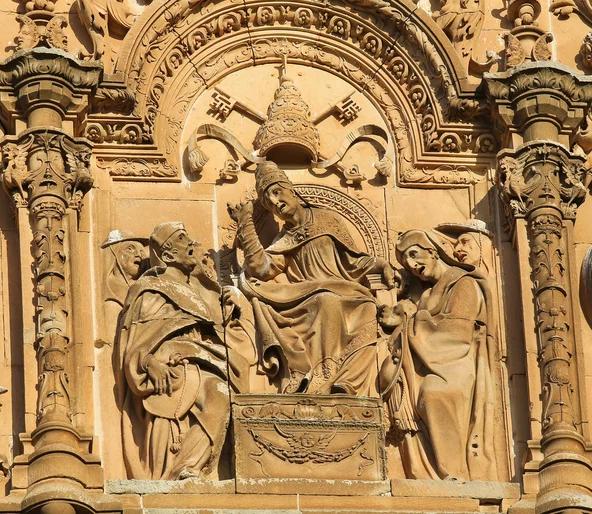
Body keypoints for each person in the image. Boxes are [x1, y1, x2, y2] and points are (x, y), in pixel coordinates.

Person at [228, 161, 397, 396]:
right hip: (309, 297)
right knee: (326, 300)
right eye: (269, 203)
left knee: (368, 309)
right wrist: (245, 224)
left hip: (346, 290)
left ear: (292, 190)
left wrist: (383, 264)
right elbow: (260, 269)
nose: (276, 203)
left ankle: (347, 382)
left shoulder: (327, 220)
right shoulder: (285, 239)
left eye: (277, 193)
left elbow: (354, 260)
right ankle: (323, 373)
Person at [117, 222, 240, 480]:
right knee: (174, 393)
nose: (192, 243)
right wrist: (149, 362)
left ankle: (187, 465)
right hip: (169, 367)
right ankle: (173, 471)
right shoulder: (150, 290)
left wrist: (227, 311)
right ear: (169, 255)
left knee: (221, 393)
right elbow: (137, 343)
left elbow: (212, 327)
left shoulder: (198, 290)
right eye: (183, 238)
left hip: (202, 359)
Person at [393, 229, 497, 482]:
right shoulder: (427, 295)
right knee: (406, 392)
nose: (413, 265)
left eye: (415, 255)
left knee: (433, 394)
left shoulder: (464, 282)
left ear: (433, 251)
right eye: (407, 262)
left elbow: (458, 332)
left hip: (456, 361)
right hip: (432, 360)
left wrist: (413, 322)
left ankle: (453, 473)